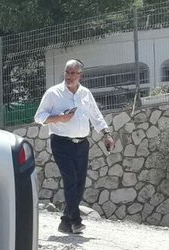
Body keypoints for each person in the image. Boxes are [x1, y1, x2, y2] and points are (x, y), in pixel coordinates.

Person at [34, 58, 115, 234]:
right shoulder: (53, 93)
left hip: (82, 144)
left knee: (79, 183)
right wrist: (59, 118)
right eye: (67, 72)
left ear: (80, 75)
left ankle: (65, 221)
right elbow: (39, 117)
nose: (69, 76)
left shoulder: (85, 93)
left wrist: (106, 135)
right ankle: (76, 221)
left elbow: (96, 115)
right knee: (70, 181)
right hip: (61, 142)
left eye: (73, 73)